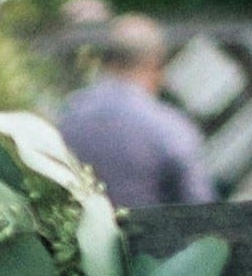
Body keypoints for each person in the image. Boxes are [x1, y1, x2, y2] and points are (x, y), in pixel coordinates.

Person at [57, 15, 216, 210]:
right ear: (154, 62)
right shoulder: (169, 128)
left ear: (107, 60)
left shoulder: (69, 114)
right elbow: (202, 209)